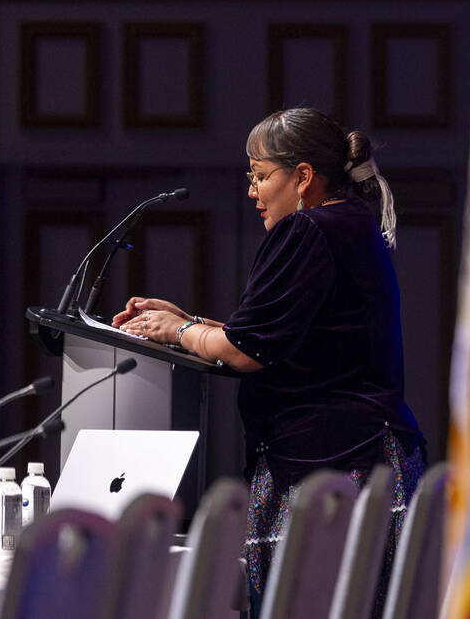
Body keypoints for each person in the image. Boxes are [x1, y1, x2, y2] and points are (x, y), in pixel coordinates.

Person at [112, 108, 425, 615]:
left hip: (334, 470)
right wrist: (188, 320)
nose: (252, 191)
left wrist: (178, 331)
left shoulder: (307, 229)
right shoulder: (350, 224)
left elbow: (246, 350)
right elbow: (277, 337)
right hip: (372, 463)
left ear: (303, 177)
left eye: (260, 177)